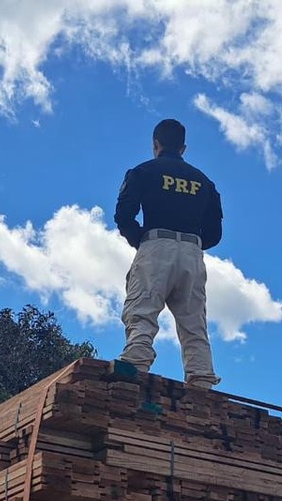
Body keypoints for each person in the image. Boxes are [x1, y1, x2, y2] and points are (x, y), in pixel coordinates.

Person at [114, 118, 224, 388]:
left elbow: (123, 215)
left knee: (143, 309)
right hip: (192, 253)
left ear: (156, 144)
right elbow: (215, 232)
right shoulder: (205, 183)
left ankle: (136, 362)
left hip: (156, 246)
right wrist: (194, 245)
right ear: (183, 148)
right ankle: (201, 377)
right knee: (194, 321)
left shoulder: (143, 172)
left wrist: (141, 240)